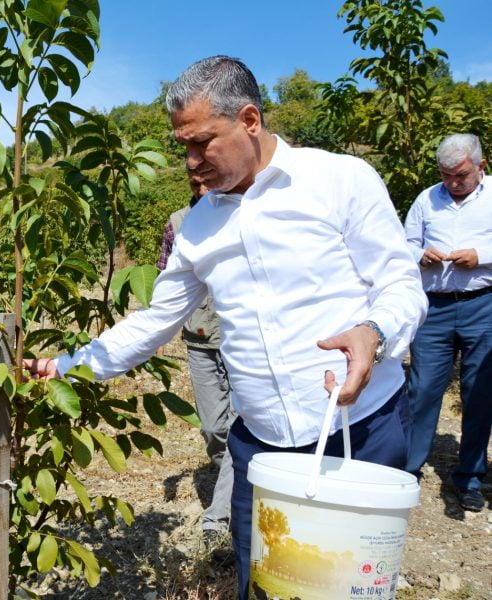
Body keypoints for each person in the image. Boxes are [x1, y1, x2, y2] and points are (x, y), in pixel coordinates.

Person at [23, 55, 426, 599]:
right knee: (260, 584)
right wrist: (67, 366)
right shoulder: (198, 226)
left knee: (342, 587)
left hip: (361, 430)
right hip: (259, 448)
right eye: (182, 147)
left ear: (250, 120)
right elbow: (157, 319)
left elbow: (400, 282)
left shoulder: (340, 180)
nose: (190, 162)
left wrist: (374, 333)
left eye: (203, 142)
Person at [403, 133, 492, 513]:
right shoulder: (427, 198)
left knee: (480, 393)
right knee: (422, 390)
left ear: (481, 166)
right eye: (446, 175)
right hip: (434, 307)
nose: (453, 183)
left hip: (482, 304)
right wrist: (421, 255)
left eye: (461, 175)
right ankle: (408, 468)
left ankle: (470, 477)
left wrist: (481, 256)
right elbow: (404, 244)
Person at [157, 177, 235, 541]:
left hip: (241, 339)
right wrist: (159, 327)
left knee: (239, 428)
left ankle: (218, 518)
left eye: (209, 183)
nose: (202, 190)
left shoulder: (243, 213)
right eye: (195, 183)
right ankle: (242, 487)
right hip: (200, 336)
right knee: (213, 429)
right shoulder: (177, 222)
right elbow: (165, 277)